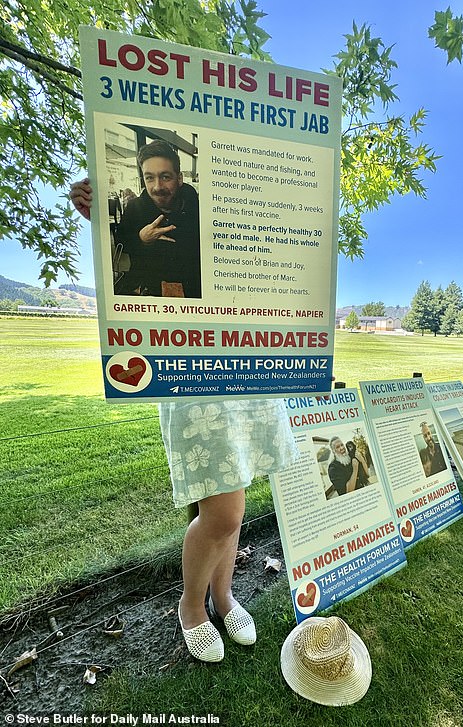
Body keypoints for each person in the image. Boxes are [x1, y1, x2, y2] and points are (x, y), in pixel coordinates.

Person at [70, 180, 299, 663]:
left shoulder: (236, 198)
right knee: (224, 511)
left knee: (233, 490)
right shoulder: (163, 213)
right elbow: (139, 270)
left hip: (252, 353)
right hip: (195, 359)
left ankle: (223, 596)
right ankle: (191, 606)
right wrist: (110, 229)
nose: (159, 184)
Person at [113, 140, 201, 298]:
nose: (157, 187)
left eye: (165, 177)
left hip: (193, 296)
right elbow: (122, 242)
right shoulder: (135, 208)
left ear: (179, 178)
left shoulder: (195, 205)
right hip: (150, 295)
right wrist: (141, 238)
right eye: (149, 178)